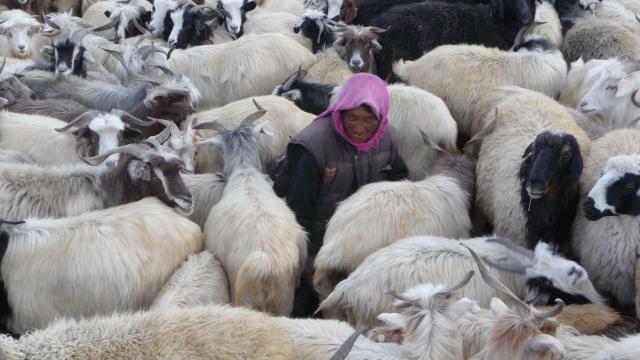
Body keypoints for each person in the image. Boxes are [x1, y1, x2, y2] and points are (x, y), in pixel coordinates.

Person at [273, 73, 408, 317]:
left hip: (361, 236)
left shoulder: (387, 139)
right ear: (340, 111)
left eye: (369, 119)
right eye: (352, 117)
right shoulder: (313, 146)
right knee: (310, 307)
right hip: (313, 238)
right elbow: (296, 211)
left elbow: (398, 184)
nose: (360, 126)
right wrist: (312, 260)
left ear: (381, 116)